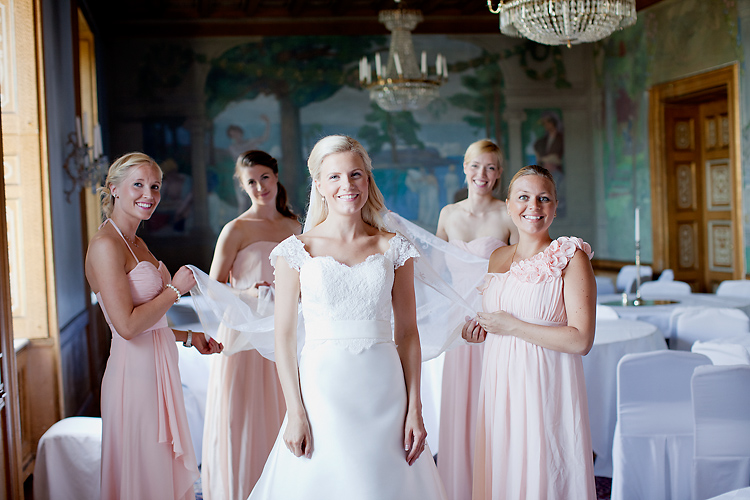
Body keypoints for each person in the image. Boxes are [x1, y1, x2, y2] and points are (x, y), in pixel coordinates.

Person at [248, 135, 447, 499]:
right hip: (322, 389)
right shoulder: (296, 251)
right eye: (335, 177)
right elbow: (285, 338)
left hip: (385, 388)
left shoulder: (393, 246)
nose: (347, 185)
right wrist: (295, 411)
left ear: (367, 180)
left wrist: (415, 408)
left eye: (356, 175)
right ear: (320, 185)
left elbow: (408, 333)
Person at [84, 152, 223, 500]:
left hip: (160, 371)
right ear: (114, 189)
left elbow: (149, 323)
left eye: (155, 186)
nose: (149, 193)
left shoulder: (137, 242)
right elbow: (127, 328)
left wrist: (189, 337)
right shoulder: (105, 245)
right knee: (144, 477)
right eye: (138, 184)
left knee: (161, 475)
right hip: (135, 378)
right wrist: (176, 289)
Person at [463, 164, 596, 499]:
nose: (533, 206)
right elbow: (493, 318)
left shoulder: (570, 256)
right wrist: (475, 329)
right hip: (500, 382)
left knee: (544, 467)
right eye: (523, 197)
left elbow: (581, 340)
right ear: (508, 205)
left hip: (545, 383)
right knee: (505, 467)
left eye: (543, 198)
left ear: (554, 206)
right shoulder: (497, 258)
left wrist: (514, 326)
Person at [201, 151, 301, 500]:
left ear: (276, 177)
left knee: (284, 411)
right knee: (242, 417)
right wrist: (246, 293)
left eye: (264, 178)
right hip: (243, 334)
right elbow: (212, 290)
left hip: (285, 333)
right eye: (251, 182)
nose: (259, 187)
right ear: (242, 187)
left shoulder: (295, 227)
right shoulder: (235, 229)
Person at [434, 139, 518, 500]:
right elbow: (434, 272)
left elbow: (521, 270)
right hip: (459, 325)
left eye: (490, 168)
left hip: (497, 321)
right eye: (475, 166)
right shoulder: (447, 214)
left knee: (498, 403)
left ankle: (500, 485)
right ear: (464, 168)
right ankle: (463, 487)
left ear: (498, 174)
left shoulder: (508, 213)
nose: (481, 174)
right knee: (462, 407)